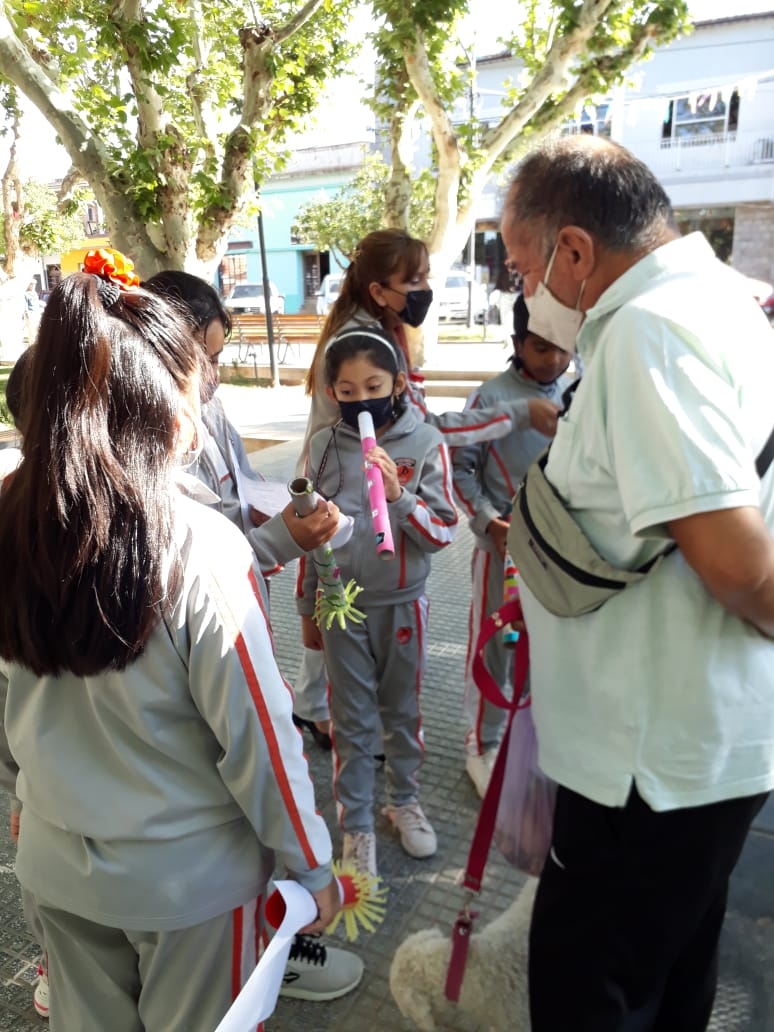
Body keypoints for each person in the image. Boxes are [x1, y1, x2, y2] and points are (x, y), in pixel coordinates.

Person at [0, 267, 360, 1031]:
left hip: (58, 865)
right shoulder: (199, 545)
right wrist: (311, 864)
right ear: (163, 408)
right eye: (200, 383)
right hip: (189, 885)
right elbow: (258, 735)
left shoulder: (13, 528)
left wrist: (26, 797)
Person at [501, 134, 774, 1031]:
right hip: (678, 752)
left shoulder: (648, 331)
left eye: (523, 269)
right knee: (669, 980)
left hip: (642, 770)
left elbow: (739, 563)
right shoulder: (717, 303)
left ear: (575, 252)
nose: (524, 292)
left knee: (595, 995)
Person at [296, 229, 561, 750]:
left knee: (346, 613)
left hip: (361, 497)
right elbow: (428, 428)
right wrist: (516, 414)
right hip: (349, 495)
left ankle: (322, 708)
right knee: (342, 608)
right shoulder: (365, 346)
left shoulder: (379, 330)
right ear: (378, 290)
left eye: (425, 277)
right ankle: (326, 714)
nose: (424, 289)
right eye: (412, 280)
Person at [297, 326, 458, 878]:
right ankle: (358, 824)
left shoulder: (426, 442)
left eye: (374, 386)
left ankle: (404, 801)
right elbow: (310, 533)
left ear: (398, 384)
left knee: (402, 712)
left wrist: (398, 496)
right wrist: (308, 607)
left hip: (402, 603)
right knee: (351, 719)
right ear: (331, 393)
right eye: (347, 391)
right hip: (340, 603)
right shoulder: (323, 446)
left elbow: (443, 532)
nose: (362, 399)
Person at [142, 270, 338, 586]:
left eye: (216, 359)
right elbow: (197, 579)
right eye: (200, 362)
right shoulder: (149, 449)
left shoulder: (212, 410)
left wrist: (260, 508)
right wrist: (278, 541)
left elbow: (241, 481)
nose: (212, 377)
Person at [452, 294, 573, 797]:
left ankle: (532, 746)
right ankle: (481, 746)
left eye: (563, 348)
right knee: (494, 647)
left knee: (547, 649)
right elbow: (460, 470)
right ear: (518, 342)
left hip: (560, 554)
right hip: (502, 550)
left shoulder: (578, 391)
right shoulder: (490, 398)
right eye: (541, 347)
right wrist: (490, 522)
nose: (554, 360)